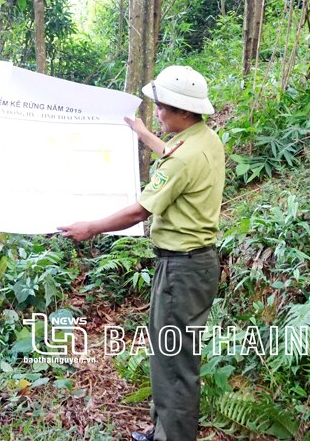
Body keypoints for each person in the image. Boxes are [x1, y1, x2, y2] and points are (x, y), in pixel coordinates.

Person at [59, 65, 224, 441]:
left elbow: (139, 211)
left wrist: (91, 227)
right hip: (197, 265)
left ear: (184, 111)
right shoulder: (205, 139)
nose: (159, 113)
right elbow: (172, 153)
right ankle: (164, 430)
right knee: (172, 353)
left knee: (174, 361)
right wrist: (143, 132)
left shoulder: (183, 158)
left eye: (164, 108)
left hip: (181, 269)